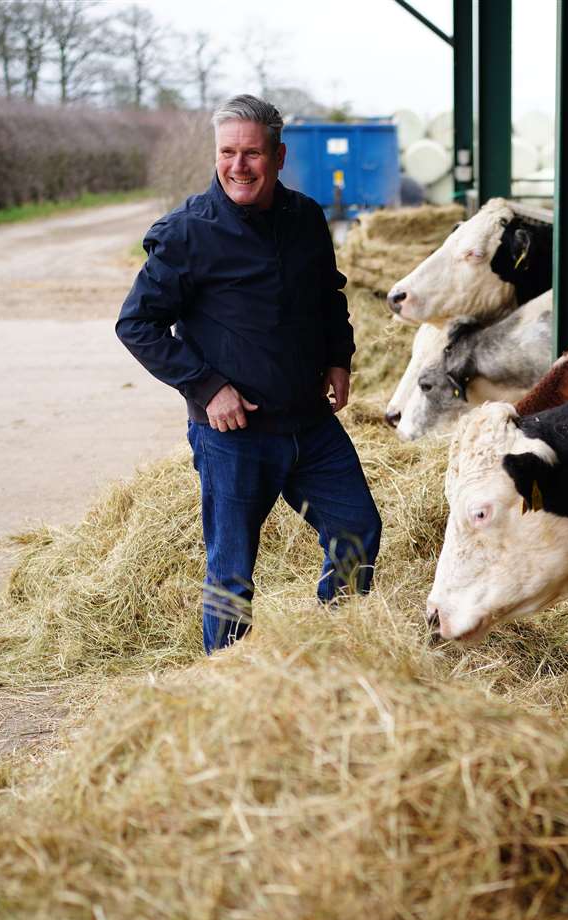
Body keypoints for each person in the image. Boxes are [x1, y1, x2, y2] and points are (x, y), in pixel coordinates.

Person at [116, 94, 381, 653]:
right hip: (233, 437)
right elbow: (137, 324)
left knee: (358, 528)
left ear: (279, 155)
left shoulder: (306, 217)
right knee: (232, 575)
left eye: (252, 153)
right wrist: (208, 388)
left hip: (309, 423)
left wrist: (339, 356)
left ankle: (343, 645)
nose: (239, 166)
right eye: (228, 152)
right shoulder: (188, 232)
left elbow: (329, 296)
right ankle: (230, 684)